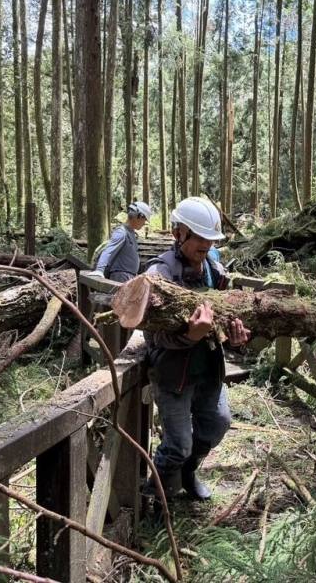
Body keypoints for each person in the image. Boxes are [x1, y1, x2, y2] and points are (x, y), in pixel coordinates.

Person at [143, 196, 251, 501]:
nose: (206, 244)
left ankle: (189, 472)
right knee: (178, 445)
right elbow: (153, 337)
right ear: (179, 233)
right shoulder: (159, 274)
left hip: (208, 369)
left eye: (210, 238)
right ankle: (154, 496)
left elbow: (228, 320)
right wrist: (189, 336)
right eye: (199, 237)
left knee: (217, 425)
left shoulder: (215, 271)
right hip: (173, 373)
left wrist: (237, 339)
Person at [91, 201, 152, 282]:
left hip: (128, 276)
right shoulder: (121, 232)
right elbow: (109, 250)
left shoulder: (131, 233)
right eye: (144, 220)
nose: (144, 223)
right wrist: (100, 269)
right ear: (139, 216)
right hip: (120, 276)